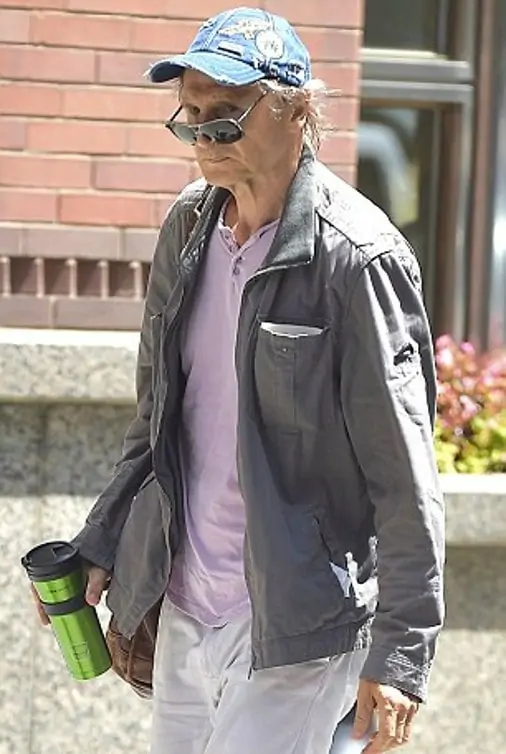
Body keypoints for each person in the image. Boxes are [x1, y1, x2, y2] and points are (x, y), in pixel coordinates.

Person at [31, 7, 445, 754]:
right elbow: (156, 421)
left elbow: (404, 475)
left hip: (295, 623)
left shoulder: (358, 260)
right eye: (191, 118)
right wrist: (101, 541)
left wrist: (401, 655)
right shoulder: (187, 230)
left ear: (297, 110)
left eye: (225, 115)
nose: (204, 137)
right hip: (186, 600)